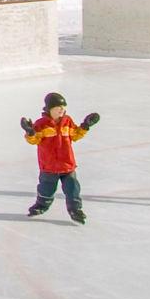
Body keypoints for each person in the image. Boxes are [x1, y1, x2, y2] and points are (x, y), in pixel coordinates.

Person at [21, 92, 100, 223]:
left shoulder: (67, 122)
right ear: (50, 109)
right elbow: (34, 140)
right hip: (49, 166)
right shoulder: (41, 124)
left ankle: (75, 209)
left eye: (63, 108)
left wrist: (85, 126)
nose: (62, 111)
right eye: (58, 108)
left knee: (73, 189)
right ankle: (42, 205)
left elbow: (75, 135)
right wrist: (30, 132)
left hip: (67, 165)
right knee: (46, 188)